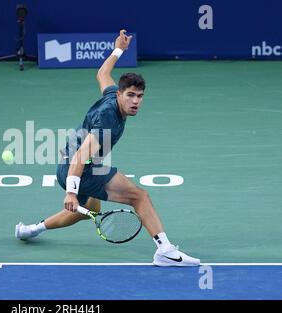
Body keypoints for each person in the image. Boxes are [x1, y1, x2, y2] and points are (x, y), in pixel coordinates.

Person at [15, 30, 200, 267]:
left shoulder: (112, 94)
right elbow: (81, 156)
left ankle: (30, 230)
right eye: (130, 95)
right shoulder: (108, 120)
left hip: (71, 163)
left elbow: (102, 73)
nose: (135, 101)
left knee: (85, 210)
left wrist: (119, 49)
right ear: (121, 94)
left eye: (140, 96)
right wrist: (71, 192)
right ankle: (164, 250)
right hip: (78, 168)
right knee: (139, 196)